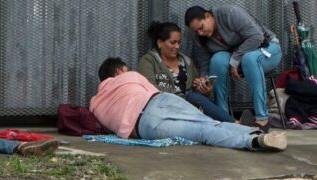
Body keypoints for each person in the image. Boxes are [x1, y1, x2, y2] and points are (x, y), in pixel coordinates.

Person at [90, 57, 286, 151]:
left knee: (203, 133)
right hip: (161, 100)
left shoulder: (95, 105)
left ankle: (253, 140)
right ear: (117, 72)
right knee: (209, 123)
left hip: (145, 124)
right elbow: (150, 89)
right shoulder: (130, 76)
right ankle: (255, 134)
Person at [184, 5, 282, 130]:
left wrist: (235, 60)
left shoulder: (230, 13)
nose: (200, 33)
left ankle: (262, 118)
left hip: (267, 49)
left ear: (208, 16)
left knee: (249, 59)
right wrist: (204, 81)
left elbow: (257, 37)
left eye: (201, 28)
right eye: (196, 31)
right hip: (238, 59)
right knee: (217, 60)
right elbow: (204, 65)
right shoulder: (199, 37)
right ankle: (225, 118)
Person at [137, 21, 234, 122]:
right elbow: (149, 89)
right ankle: (234, 123)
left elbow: (196, 89)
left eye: (179, 42)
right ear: (160, 43)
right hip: (164, 107)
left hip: (190, 108)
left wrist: (204, 89)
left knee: (197, 100)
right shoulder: (148, 61)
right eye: (173, 42)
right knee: (193, 98)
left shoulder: (186, 61)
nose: (177, 46)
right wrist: (181, 98)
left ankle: (233, 124)